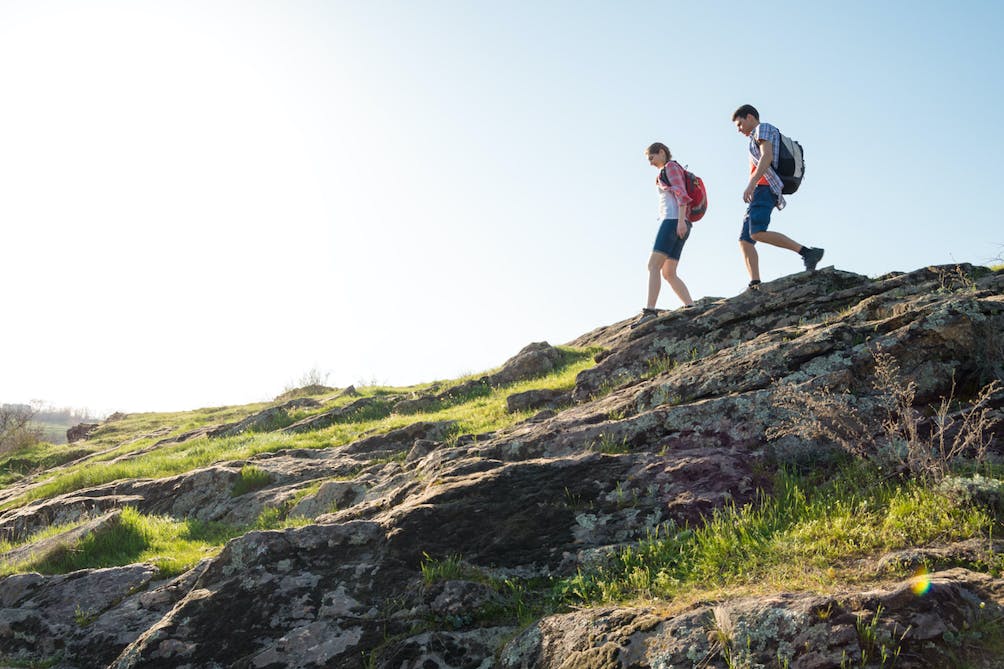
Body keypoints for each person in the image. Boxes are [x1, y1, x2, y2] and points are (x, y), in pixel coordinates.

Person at [732, 104, 824, 290]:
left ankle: (807, 252)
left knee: (756, 232)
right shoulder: (753, 137)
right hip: (760, 189)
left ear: (750, 117)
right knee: (745, 240)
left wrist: (751, 185)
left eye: (740, 124)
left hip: (765, 188)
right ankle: (755, 283)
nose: (739, 129)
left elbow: (766, 157)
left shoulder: (762, 128)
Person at [634, 142, 695, 326]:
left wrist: (680, 221)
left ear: (661, 152)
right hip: (679, 222)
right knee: (669, 272)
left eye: (651, 158)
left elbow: (681, 194)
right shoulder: (669, 170)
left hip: (673, 221)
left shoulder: (670, 167)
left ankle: (650, 311)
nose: (650, 163)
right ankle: (691, 307)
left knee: (653, 265)